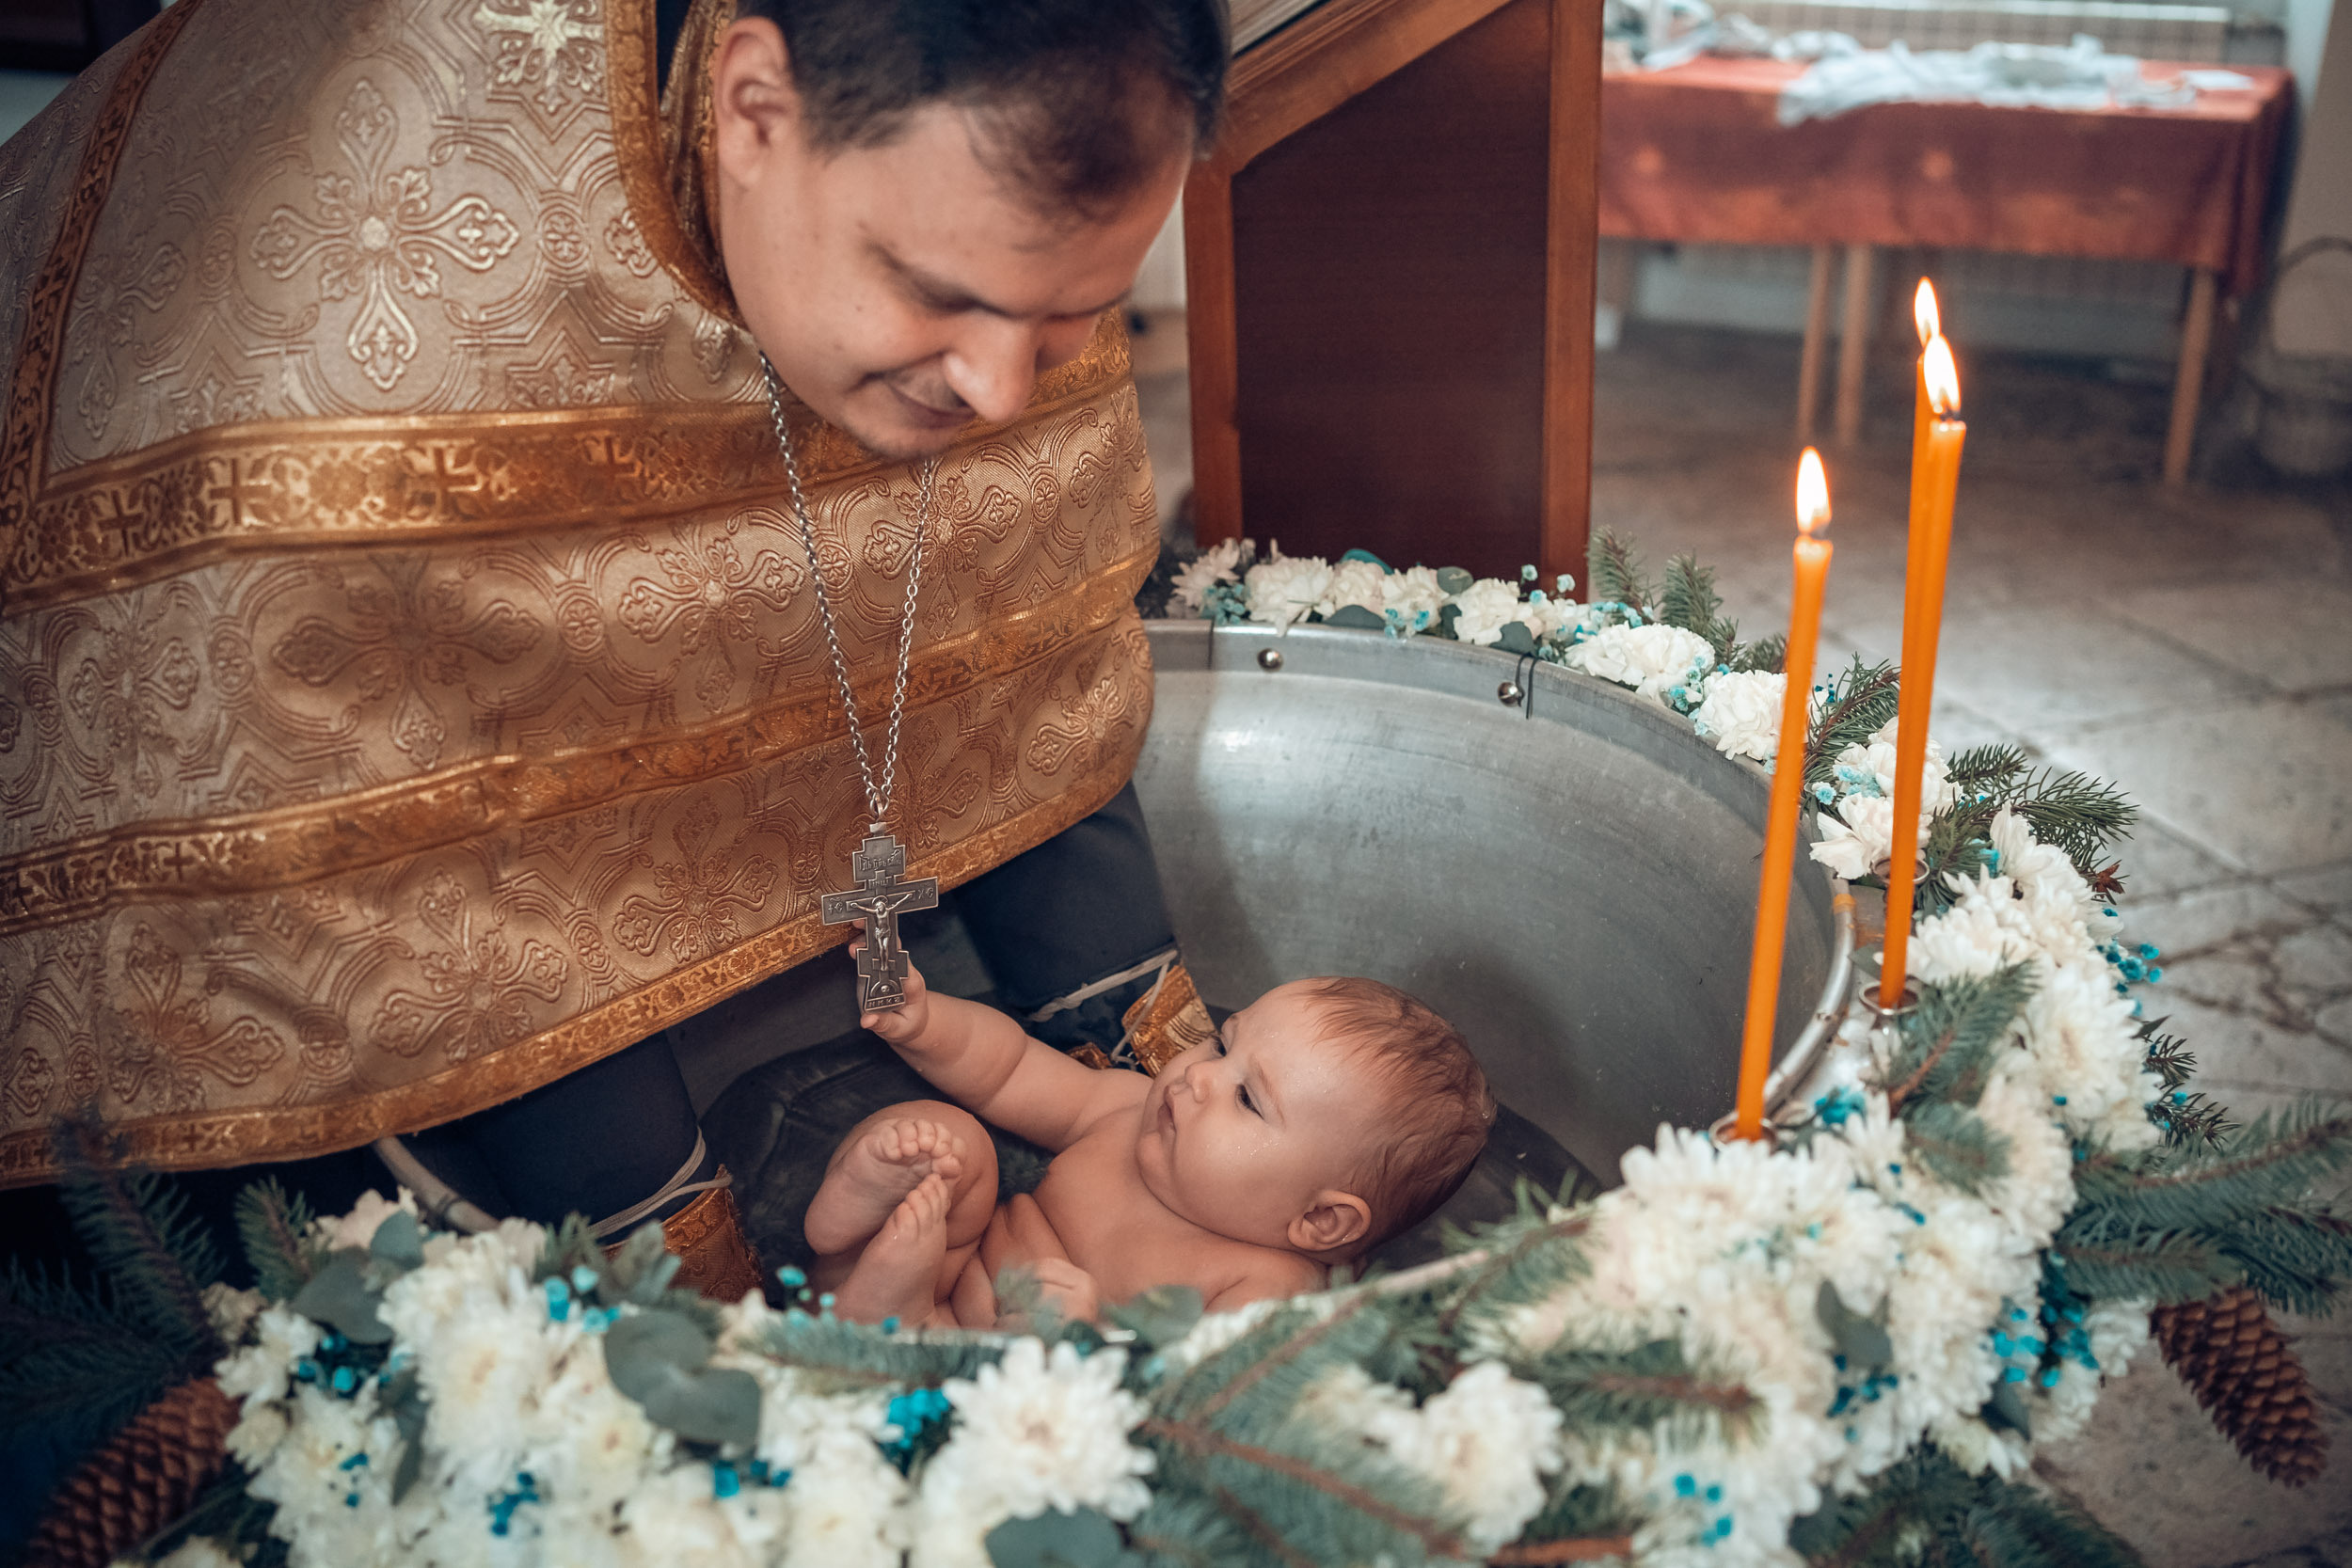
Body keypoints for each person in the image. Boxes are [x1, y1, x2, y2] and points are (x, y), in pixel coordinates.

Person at [0, 0, 1228, 1311]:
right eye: (943, 296)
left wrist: (1178, 1121)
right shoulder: (363, 339)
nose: (999, 390)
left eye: (1063, 321)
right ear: (755, 110)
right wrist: (705, 1307)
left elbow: (1017, 617)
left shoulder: (991, 214)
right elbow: (441, 876)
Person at [804, 949, 1496, 1326]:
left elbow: (1185, 1417)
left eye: (1247, 1097)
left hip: (1003, 1403)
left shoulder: (1264, 1289)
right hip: (947, 1283)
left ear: (1319, 1217)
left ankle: (880, 1314)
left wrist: (1092, 1341)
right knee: (951, 1146)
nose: (1198, 1078)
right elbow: (1009, 1068)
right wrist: (925, 1024)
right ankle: (855, 1251)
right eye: (1222, 1044)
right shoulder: (1132, 1107)